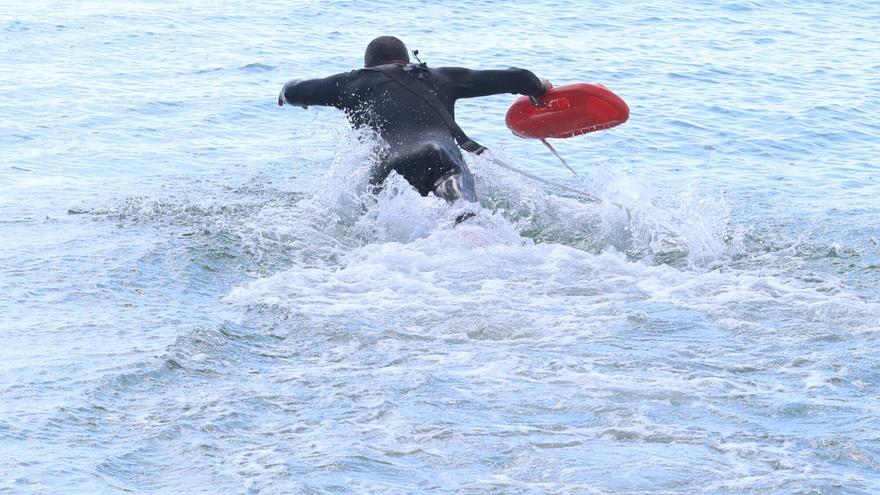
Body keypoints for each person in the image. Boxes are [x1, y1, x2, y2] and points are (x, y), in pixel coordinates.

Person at [278, 35, 551, 204]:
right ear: (406, 61)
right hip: (440, 158)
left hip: (388, 169)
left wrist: (286, 94)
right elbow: (520, 78)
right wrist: (539, 90)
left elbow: (293, 90)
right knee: (466, 222)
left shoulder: (353, 83)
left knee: (378, 232)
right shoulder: (440, 77)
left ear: (367, 66)